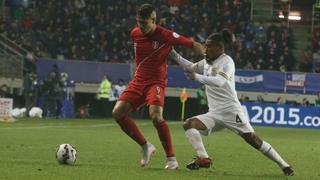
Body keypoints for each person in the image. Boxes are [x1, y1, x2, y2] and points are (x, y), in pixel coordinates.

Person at [169, 29, 294, 176]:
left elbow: (220, 82)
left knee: (253, 139)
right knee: (189, 124)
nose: (205, 49)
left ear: (220, 48)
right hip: (214, 113)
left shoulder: (227, 62)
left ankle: (284, 165)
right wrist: (172, 53)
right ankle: (203, 158)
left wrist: (196, 77)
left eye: (209, 46)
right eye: (205, 45)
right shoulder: (206, 62)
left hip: (231, 111)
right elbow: (190, 67)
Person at [112, 3, 204, 169]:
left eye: (144, 23)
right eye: (139, 22)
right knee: (117, 113)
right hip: (138, 81)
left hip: (156, 82)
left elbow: (192, 44)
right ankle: (146, 146)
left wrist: (206, 56)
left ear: (153, 20)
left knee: (156, 116)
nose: (141, 26)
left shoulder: (165, 35)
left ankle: (171, 159)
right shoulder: (135, 33)